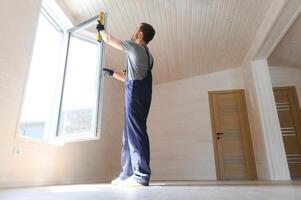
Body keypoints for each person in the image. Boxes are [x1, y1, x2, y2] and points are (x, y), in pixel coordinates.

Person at [96, 21, 155, 187]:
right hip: (140, 95)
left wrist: (101, 29)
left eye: (136, 29)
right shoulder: (149, 56)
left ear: (140, 34)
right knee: (129, 134)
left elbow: (108, 39)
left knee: (135, 132)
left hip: (135, 95)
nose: (134, 31)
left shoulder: (134, 47)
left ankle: (141, 175)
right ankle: (127, 174)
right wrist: (111, 73)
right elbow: (129, 78)